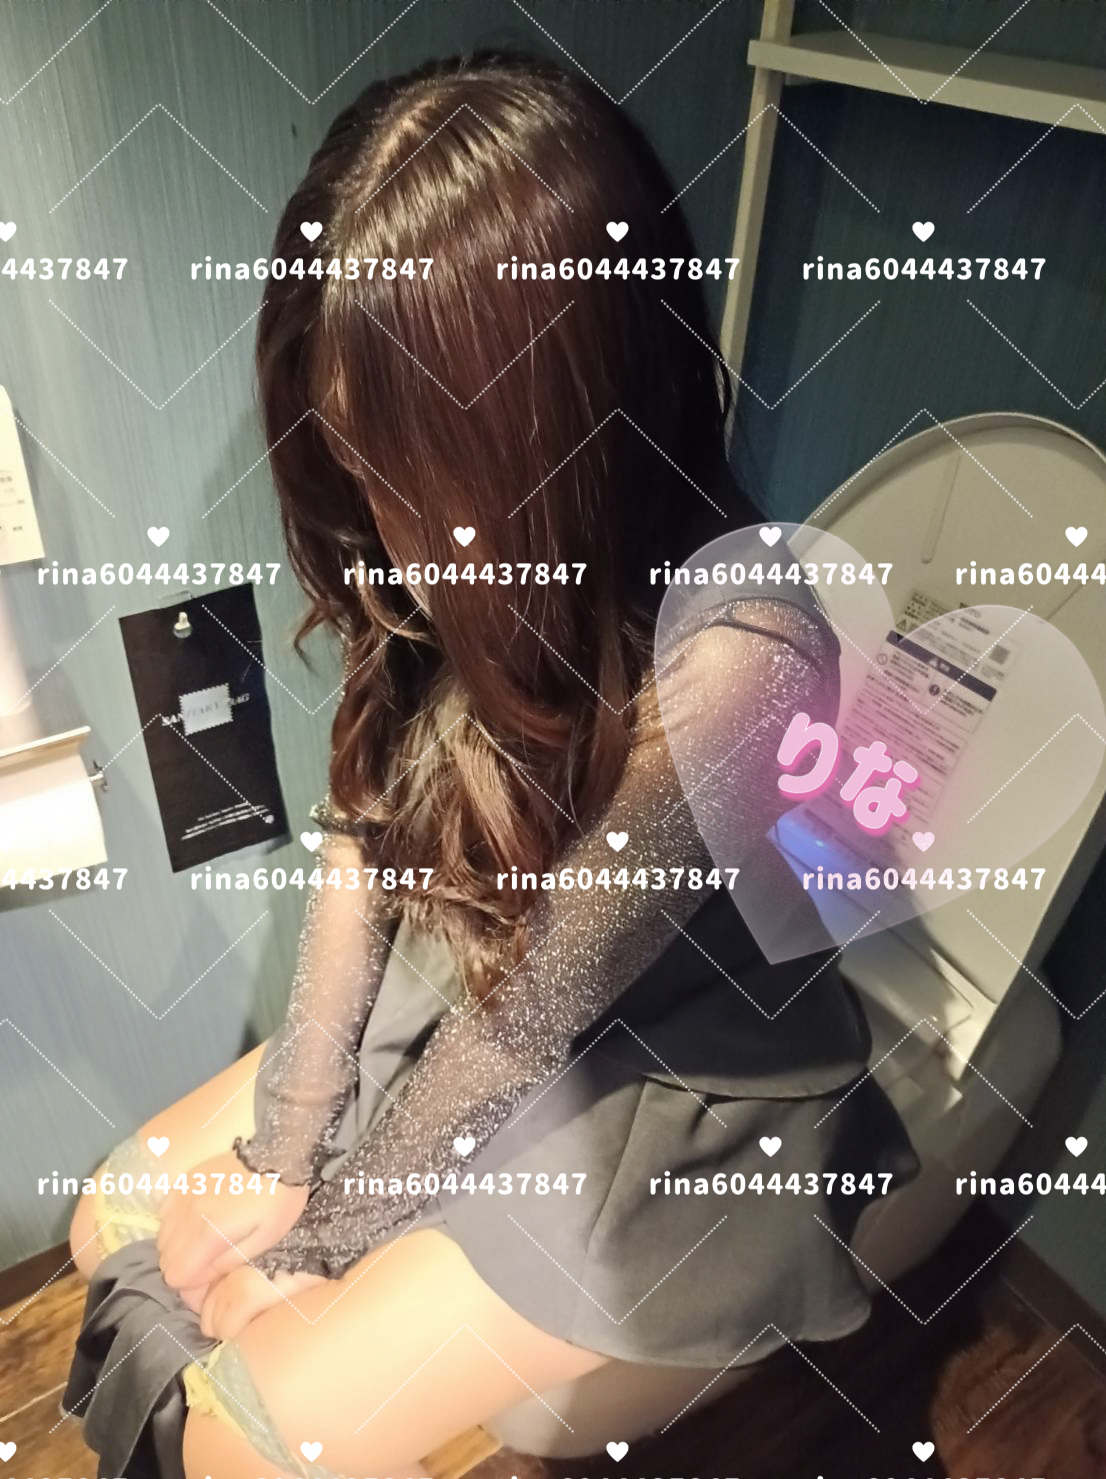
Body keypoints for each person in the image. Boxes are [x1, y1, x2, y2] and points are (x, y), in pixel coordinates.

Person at [66, 50, 919, 1479]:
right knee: (112, 1222)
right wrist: (287, 1155)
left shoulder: (745, 658)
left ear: (566, 425)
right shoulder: (418, 542)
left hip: (677, 1073)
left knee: (247, 1435)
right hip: (488, 973)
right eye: (355, 458)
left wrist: (322, 1247)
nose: (378, 525)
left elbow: (530, 1027)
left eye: (413, 470)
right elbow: (361, 838)